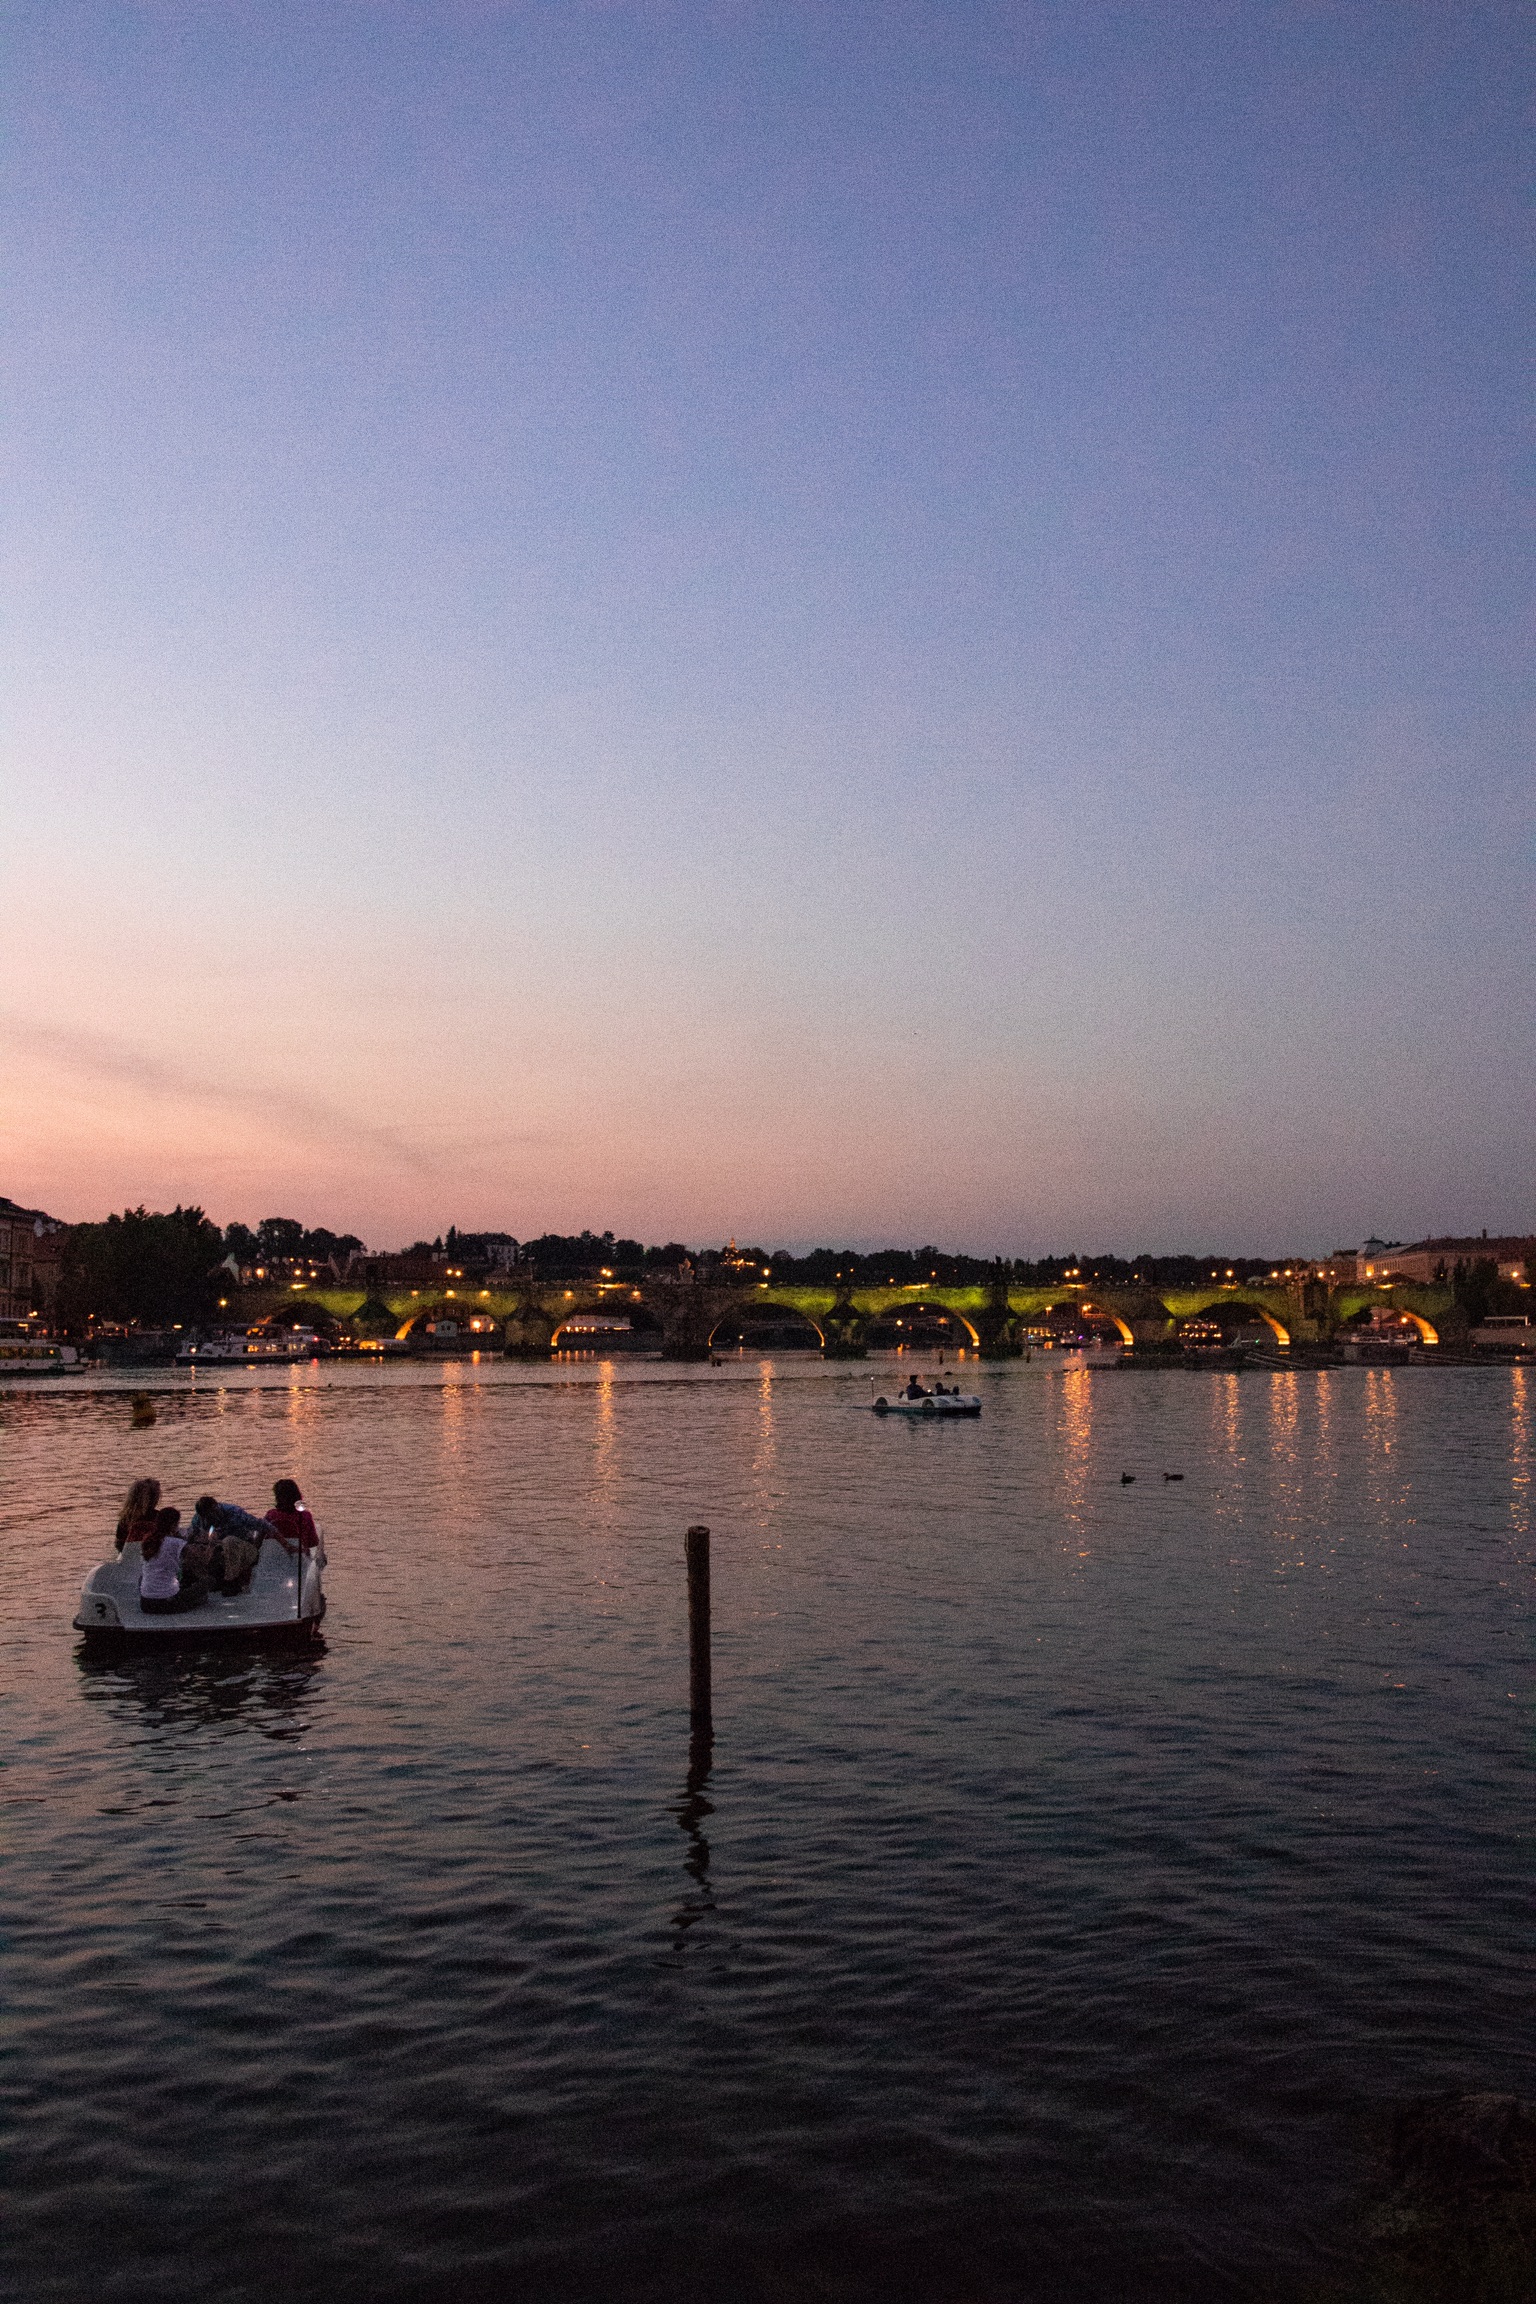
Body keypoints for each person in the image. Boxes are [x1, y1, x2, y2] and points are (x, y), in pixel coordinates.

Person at [187, 1495, 268, 1593]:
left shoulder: (235, 1513)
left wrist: (256, 1548)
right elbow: (192, 1536)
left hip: (242, 1548)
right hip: (219, 1548)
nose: (207, 1520)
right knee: (193, 1549)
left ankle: (231, 1580)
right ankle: (205, 1579)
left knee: (229, 1541)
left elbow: (264, 1526)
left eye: (210, 1516)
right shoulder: (198, 1519)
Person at [138, 1506, 209, 1614]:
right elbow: (203, 1559)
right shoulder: (175, 1543)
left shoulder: (148, 1540)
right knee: (209, 1581)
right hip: (168, 1603)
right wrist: (210, 1542)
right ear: (173, 1525)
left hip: (146, 1604)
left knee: (144, 1576)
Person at [265, 1479, 319, 1555]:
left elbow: (263, 1536)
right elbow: (313, 1542)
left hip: (273, 1555)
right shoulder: (305, 1516)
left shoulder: (271, 1515)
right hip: (300, 1557)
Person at [114, 1477, 160, 1552]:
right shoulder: (159, 1517)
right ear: (155, 1498)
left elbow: (119, 1545)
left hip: (129, 1557)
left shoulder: (125, 1519)